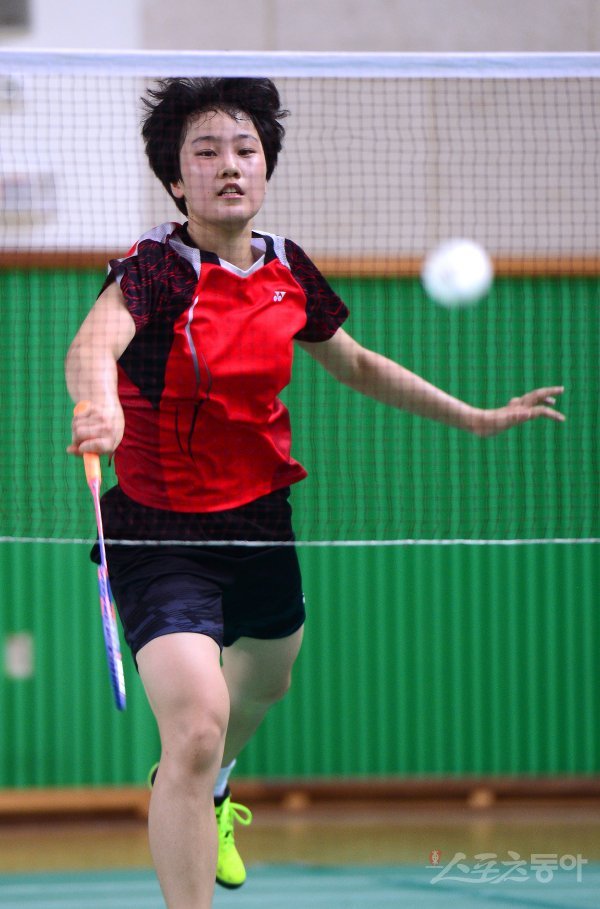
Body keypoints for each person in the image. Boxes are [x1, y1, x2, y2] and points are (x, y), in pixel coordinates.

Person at [66, 77, 564, 909]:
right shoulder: (155, 268)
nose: (230, 165)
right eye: (206, 152)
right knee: (195, 725)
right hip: (158, 529)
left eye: (246, 149)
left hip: (260, 519)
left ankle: (211, 785)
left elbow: (357, 363)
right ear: (176, 179)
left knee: (266, 683)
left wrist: (473, 417)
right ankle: (192, 790)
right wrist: (102, 405)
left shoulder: (288, 267)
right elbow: (92, 345)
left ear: (266, 167)